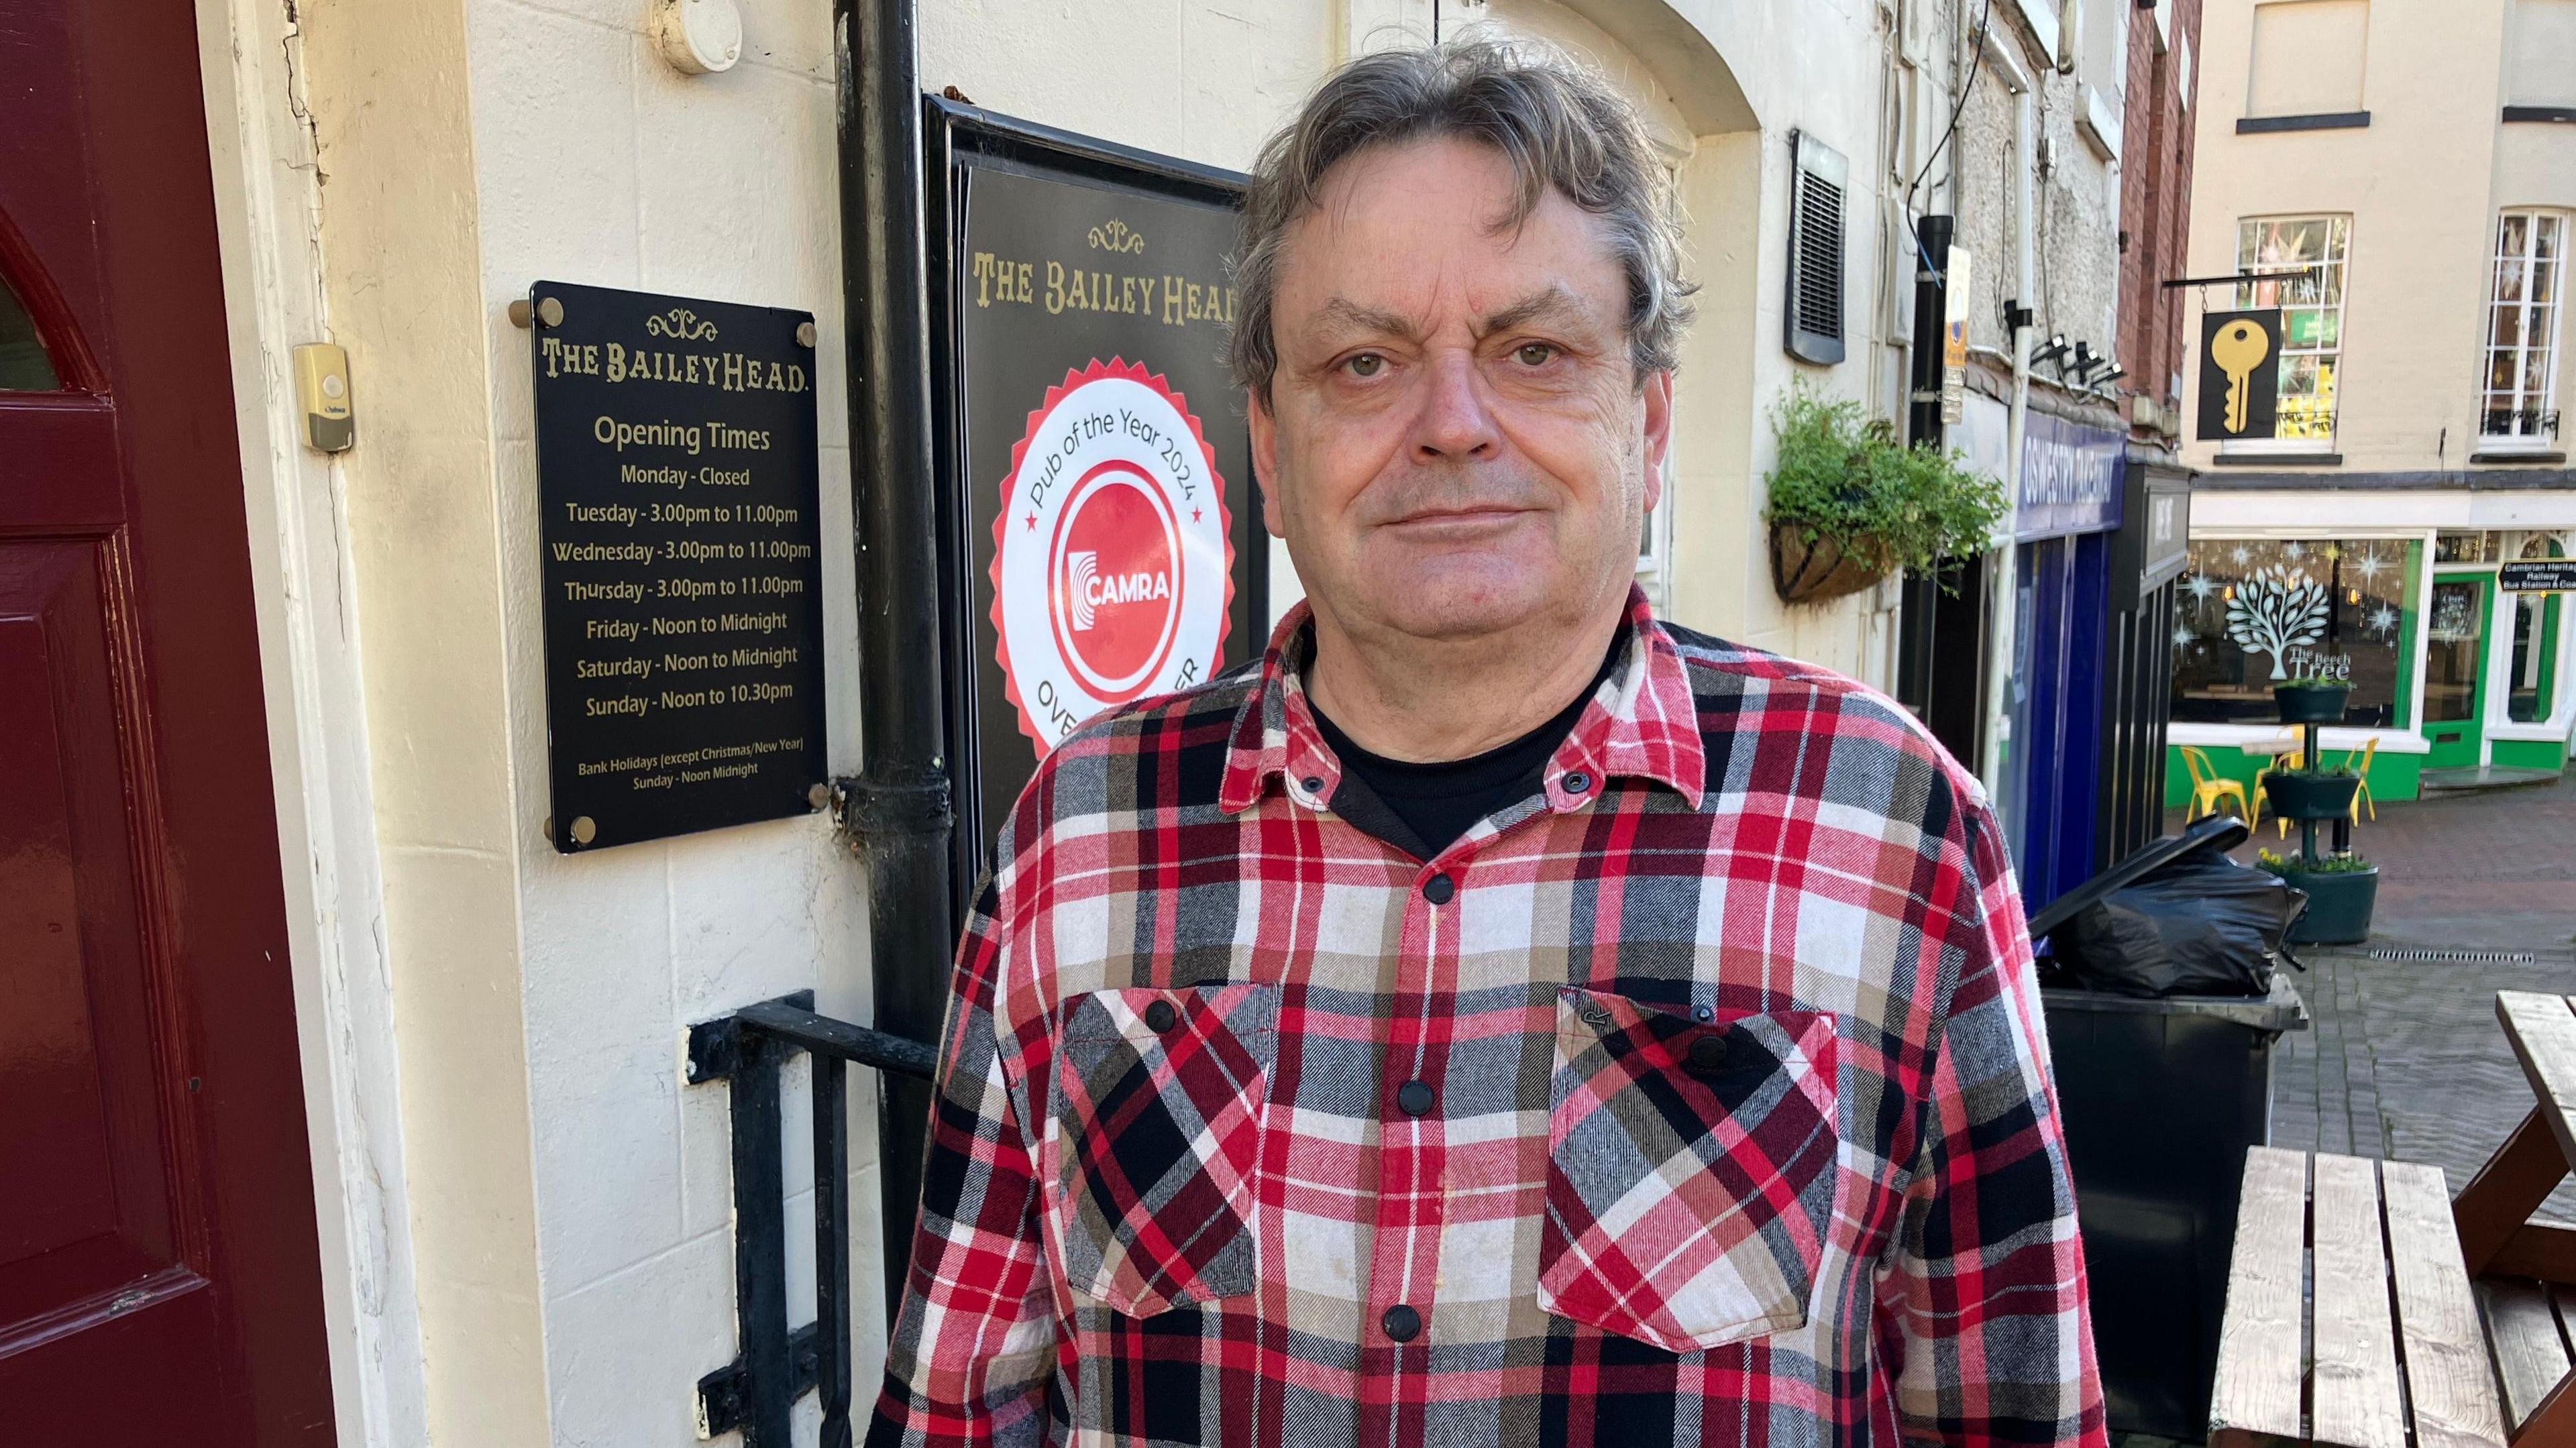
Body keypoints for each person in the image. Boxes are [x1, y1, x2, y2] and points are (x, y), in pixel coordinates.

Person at [868, 37, 2103, 1448]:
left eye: (1533, 351)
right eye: (1364, 360)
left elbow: (2014, 1417)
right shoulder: (1081, 842)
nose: (1451, 424)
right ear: (1271, 448)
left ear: (1644, 418)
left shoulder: (1892, 834)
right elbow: (962, 1414)